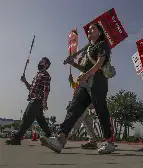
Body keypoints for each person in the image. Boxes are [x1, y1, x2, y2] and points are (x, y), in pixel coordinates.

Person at [40, 23, 114, 154]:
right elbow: (84, 68)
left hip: (98, 81)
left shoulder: (102, 45)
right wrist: (73, 63)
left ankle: (109, 141)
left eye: (93, 28)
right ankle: (60, 139)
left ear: (100, 33)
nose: (90, 30)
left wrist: (86, 74)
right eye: (89, 29)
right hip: (84, 83)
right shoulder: (87, 49)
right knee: (73, 108)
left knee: (101, 110)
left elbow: (100, 63)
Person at [5, 57, 52, 145]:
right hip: (34, 100)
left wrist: (44, 101)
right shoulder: (37, 75)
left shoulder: (45, 75)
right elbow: (31, 89)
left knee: (26, 117)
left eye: (42, 62)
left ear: (46, 65)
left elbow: (46, 89)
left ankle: (17, 138)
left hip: (37, 101)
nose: (39, 62)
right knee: (40, 119)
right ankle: (50, 136)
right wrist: (25, 81)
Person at [68, 74, 97, 149]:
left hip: (83, 101)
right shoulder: (82, 74)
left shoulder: (88, 73)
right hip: (81, 100)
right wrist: (72, 82)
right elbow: (76, 88)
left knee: (76, 119)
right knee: (88, 123)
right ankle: (93, 141)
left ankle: (62, 137)